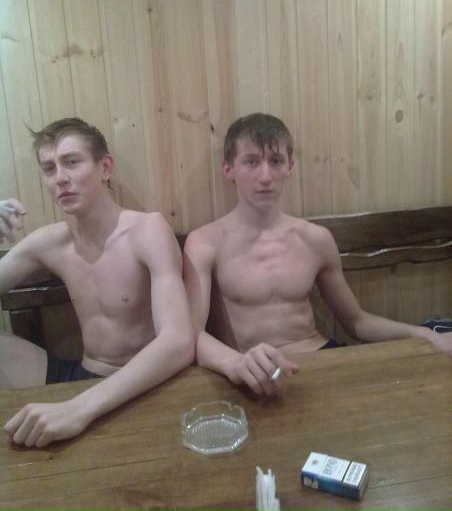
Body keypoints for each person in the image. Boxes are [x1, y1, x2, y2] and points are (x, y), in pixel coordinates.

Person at [183, 112, 452, 397]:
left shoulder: (315, 239)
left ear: (290, 167)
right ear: (229, 169)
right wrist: (235, 363)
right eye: (251, 162)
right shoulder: (205, 243)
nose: (265, 176)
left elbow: (357, 321)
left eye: (276, 161)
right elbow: (191, 335)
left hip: (320, 360)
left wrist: (427, 335)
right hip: (249, 372)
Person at [0, 118, 194, 447]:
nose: (60, 178)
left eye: (72, 162)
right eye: (49, 168)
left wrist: (79, 409)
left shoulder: (147, 231)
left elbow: (178, 341)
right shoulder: (50, 242)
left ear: (105, 167)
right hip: (81, 377)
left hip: (145, 382)